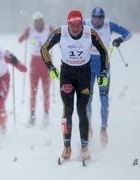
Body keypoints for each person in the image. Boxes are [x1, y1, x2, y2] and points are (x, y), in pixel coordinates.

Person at [40, 10, 108, 160]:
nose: (75, 28)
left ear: (82, 23)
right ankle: (67, 146)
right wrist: (50, 67)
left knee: (82, 110)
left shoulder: (90, 33)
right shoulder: (60, 32)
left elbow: (103, 51)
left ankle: (84, 147)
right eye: (72, 25)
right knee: (67, 110)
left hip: (84, 74)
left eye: (78, 25)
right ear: (68, 23)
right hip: (67, 75)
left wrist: (103, 72)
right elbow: (44, 48)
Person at [84, 7, 132, 145]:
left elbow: (128, 33)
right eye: (95, 17)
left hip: (103, 67)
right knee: (87, 98)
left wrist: (120, 40)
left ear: (103, 18)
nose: (97, 20)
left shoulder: (108, 24)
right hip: (87, 66)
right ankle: (88, 126)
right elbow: (69, 29)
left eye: (100, 18)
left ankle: (103, 129)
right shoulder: (85, 23)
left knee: (104, 98)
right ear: (91, 17)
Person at [0, 41, 27, 134]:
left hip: (3, 79)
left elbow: (24, 69)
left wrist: (15, 61)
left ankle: (3, 127)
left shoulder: (4, 55)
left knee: (1, 104)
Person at [18, 12, 54, 126]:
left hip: (46, 61)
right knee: (33, 90)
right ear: (34, 22)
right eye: (36, 22)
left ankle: (46, 114)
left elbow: (60, 38)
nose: (38, 24)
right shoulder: (31, 29)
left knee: (46, 91)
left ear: (43, 21)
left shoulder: (49, 28)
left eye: (40, 21)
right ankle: (32, 114)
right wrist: (25, 34)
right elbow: (20, 40)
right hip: (35, 62)